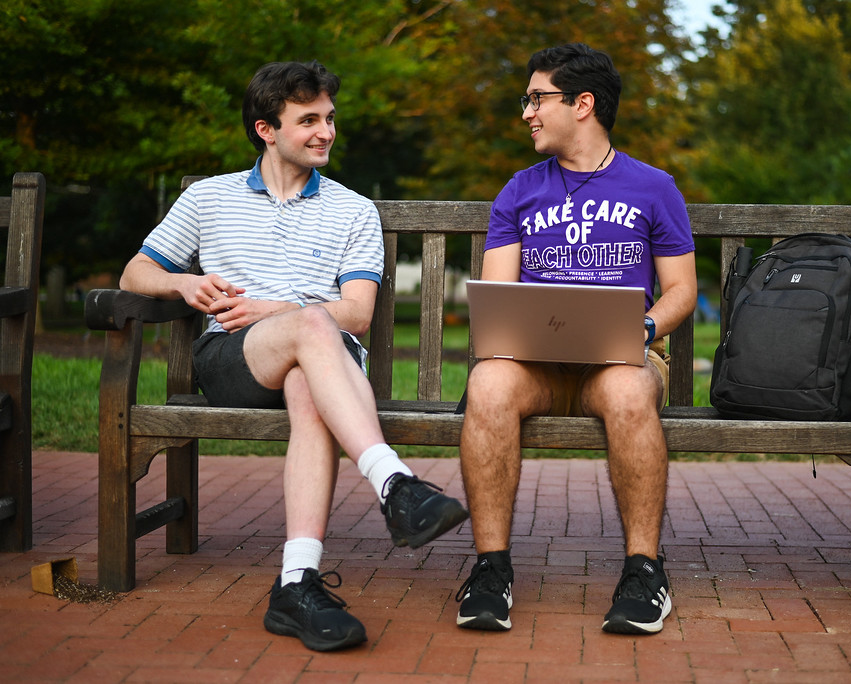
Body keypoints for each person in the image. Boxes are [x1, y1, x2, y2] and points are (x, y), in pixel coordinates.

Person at [119, 60, 468, 652]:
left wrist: (280, 311)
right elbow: (134, 273)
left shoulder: (354, 210)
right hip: (233, 359)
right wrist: (182, 285)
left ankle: (296, 583)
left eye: (330, 118)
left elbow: (357, 314)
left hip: (326, 366)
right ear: (266, 129)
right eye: (309, 119)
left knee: (310, 377)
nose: (326, 131)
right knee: (309, 323)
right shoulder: (208, 197)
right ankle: (394, 483)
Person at [454, 44, 697, 635]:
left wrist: (642, 329)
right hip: (536, 365)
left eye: (537, 98)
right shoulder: (519, 190)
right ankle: (491, 570)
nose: (527, 112)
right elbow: (499, 294)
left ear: (582, 104)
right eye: (528, 100)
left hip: (618, 359)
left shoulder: (654, 186)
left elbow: (681, 291)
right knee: (487, 383)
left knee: (629, 392)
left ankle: (645, 570)